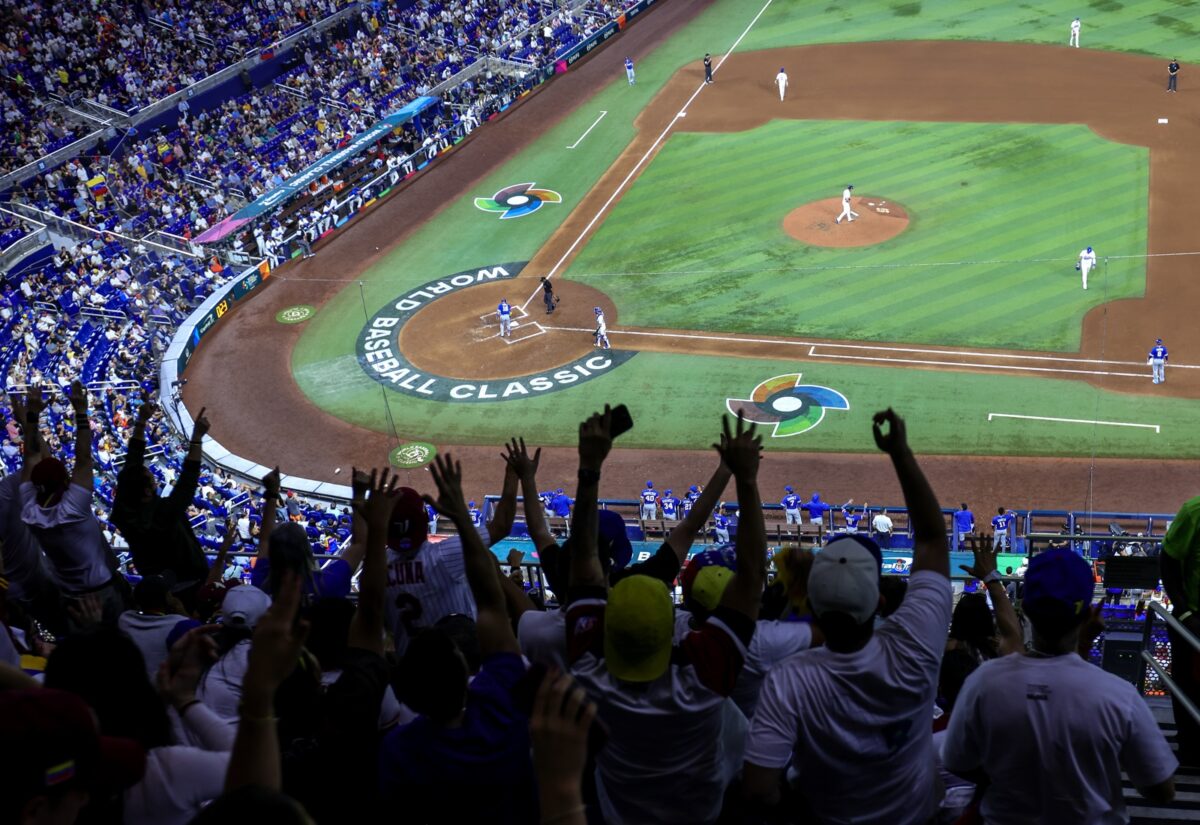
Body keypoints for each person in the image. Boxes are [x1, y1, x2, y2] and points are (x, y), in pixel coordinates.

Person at [743, 409, 953, 823]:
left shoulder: (788, 678)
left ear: (811, 604)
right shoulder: (915, 644)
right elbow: (931, 539)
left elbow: (758, 790)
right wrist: (899, 453)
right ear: (879, 603)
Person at [567, 409, 766, 825]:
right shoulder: (704, 676)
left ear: (607, 628)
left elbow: (582, 561)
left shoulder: (586, 667)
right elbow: (739, 569)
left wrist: (589, 468)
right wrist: (738, 476)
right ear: (672, 630)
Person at [943, 548, 1177, 821]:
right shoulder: (1119, 696)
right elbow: (1161, 791)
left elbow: (957, 761)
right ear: (1089, 611)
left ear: (1026, 608)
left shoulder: (983, 683)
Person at [379, 453, 537, 823]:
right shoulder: (445, 555)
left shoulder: (377, 569)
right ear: (424, 523)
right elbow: (500, 525)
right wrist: (512, 475)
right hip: (464, 675)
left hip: (413, 691)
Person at [112, 400, 211, 592]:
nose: (154, 478)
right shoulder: (162, 514)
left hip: (155, 581)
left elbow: (132, 462)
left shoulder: (123, 510)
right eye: (151, 478)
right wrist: (196, 439)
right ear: (147, 491)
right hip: (188, 583)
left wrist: (141, 421)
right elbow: (187, 483)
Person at [1161, 495, 1200, 765]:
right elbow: (1168, 560)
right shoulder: (1193, 511)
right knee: (1188, 686)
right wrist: (1185, 613)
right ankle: (1189, 749)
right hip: (1193, 623)